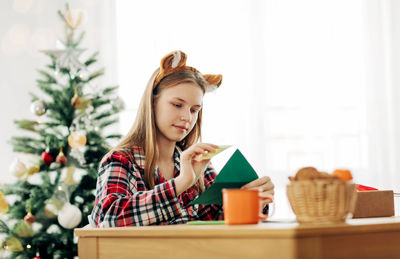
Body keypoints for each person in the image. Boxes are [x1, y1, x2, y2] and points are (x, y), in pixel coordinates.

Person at [89, 50, 275, 227]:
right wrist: (181, 183)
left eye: (194, 110)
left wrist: (250, 201)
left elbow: (216, 218)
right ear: (152, 103)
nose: (187, 117)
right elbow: (106, 218)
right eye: (177, 105)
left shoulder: (199, 164)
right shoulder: (122, 161)